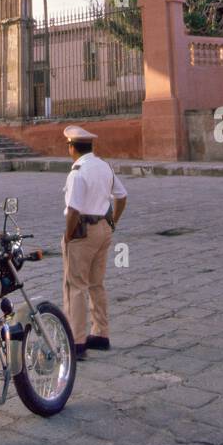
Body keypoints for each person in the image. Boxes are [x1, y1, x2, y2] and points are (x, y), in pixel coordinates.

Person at [61, 125, 128, 361]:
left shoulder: (77, 172)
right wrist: (112, 223)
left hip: (82, 232)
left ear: (71, 148)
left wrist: (69, 236)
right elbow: (122, 196)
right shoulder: (104, 167)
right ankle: (101, 333)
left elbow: (73, 211)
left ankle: (77, 341)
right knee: (96, 284)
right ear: (91, 146)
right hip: (103, 228)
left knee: (75, 286)